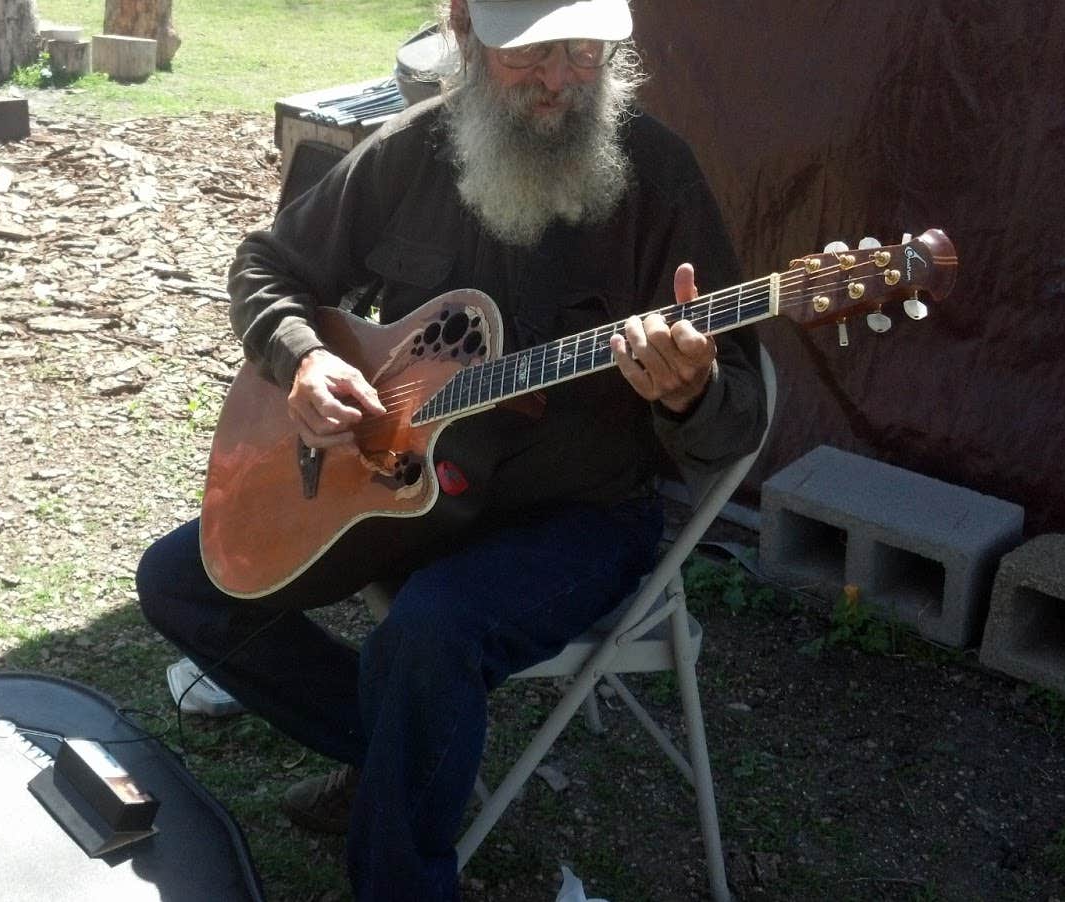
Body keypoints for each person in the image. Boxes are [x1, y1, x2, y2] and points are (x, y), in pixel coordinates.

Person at [137, 0, 767, 898]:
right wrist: (305, 358)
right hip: (404, 481)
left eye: (583, 54)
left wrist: (692, 390)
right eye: (531, 55)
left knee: (429, 631)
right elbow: (268, 266)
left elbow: (739, 410)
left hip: (578, 514)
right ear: (470, 36)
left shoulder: (659, 177)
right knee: (181, 580)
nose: (558, 80)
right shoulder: (412, 152)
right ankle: (402, 748)